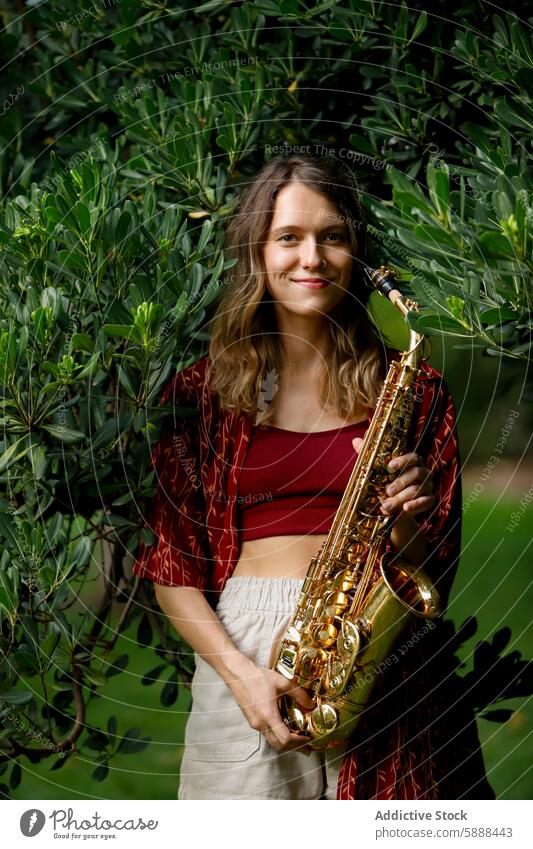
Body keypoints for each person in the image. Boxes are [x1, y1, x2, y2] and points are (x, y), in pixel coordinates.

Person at [133, 154, 495, 800]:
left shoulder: (411, 390)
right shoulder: (201, 393)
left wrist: (407, 514)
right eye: (289, 237)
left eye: (332, 236)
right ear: (257, 251)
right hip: (243, 649)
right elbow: (170, 568)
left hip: (380, 660)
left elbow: (431, 573)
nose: (312, 257)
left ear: (354, 251)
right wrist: (240, 674)